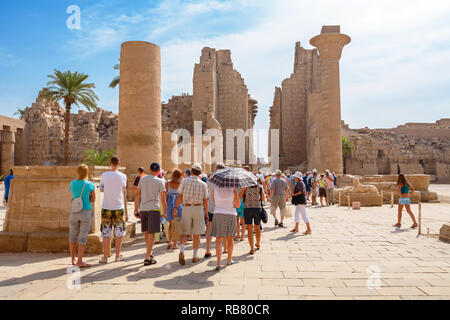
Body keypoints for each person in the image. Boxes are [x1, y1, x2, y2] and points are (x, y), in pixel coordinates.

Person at [173, 163, 209, 265]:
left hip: (186, 208)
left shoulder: (184, 181)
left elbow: (179, 196)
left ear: (192, 171)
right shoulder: (203, 184)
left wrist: (175, 208)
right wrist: (206, 213)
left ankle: (182, 251)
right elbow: (205, 201)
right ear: (200, 173)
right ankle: (194, 255)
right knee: (197, 233)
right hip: (198, 208)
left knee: (185, 232)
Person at [134, 162, 167, 266]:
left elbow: (137, 195)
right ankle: (147, 257)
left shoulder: (142, 179)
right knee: (152, 233)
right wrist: (165, 212)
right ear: (158, 171)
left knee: (146, 232)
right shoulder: (160, 181)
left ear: (149, 169)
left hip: (143, 208)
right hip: (154, 208)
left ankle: (149, 253)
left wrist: (136, 209)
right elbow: (163, 199)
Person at [99, 157, 127, 264]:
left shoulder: (104, 175)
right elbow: (123, 189)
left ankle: (105, 257)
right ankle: (117, 256)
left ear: (110, 164)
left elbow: (101, 188)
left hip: (107, 206)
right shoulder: (123, 176)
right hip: (118, 207)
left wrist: (108, 189)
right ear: (119, 164)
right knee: (119, 232)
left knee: (106, 233)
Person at [69, 165, 96, 268]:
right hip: (85, 211)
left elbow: (73, 195)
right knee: (82, 237)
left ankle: (72, 259)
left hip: (74, 211)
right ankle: (80, 261)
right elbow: (93, 199)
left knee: (72, 235)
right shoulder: (89, 184)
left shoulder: (72, 183)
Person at [211, 186, 241, 270]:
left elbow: (214, 201)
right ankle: (229, 260)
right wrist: (235, 193)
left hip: (218, 213)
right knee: (230, 237)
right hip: (230, 213)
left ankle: (218, 263)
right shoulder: (233, 188)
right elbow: (238, 205)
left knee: (218, 239)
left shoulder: (216, 188)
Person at [205, 163, 225, 258]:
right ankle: (224, 249)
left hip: (212, 207)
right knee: (222, 229)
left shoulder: (210, 180)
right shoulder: (225, 180)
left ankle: (208, 250)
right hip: (222, 208)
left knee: (209, 229)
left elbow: (207, 193)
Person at [240, 178, 265, 254]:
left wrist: (244, 190)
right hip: (257, 209)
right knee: (257, 228)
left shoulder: (245, 187)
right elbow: (263, 198)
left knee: (250, 229)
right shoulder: (260, 187)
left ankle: (251, 249)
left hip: (247, 209)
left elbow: (240, 196)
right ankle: (257, 244)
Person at [165, 169, 183, 250]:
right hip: (178, 205)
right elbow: (181, 197)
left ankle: (169, 242)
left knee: (171, 224)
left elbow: (164, 196)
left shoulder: (167, 184)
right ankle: (175, 244)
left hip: (169, 205)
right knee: (176, 225)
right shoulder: (181, 184)